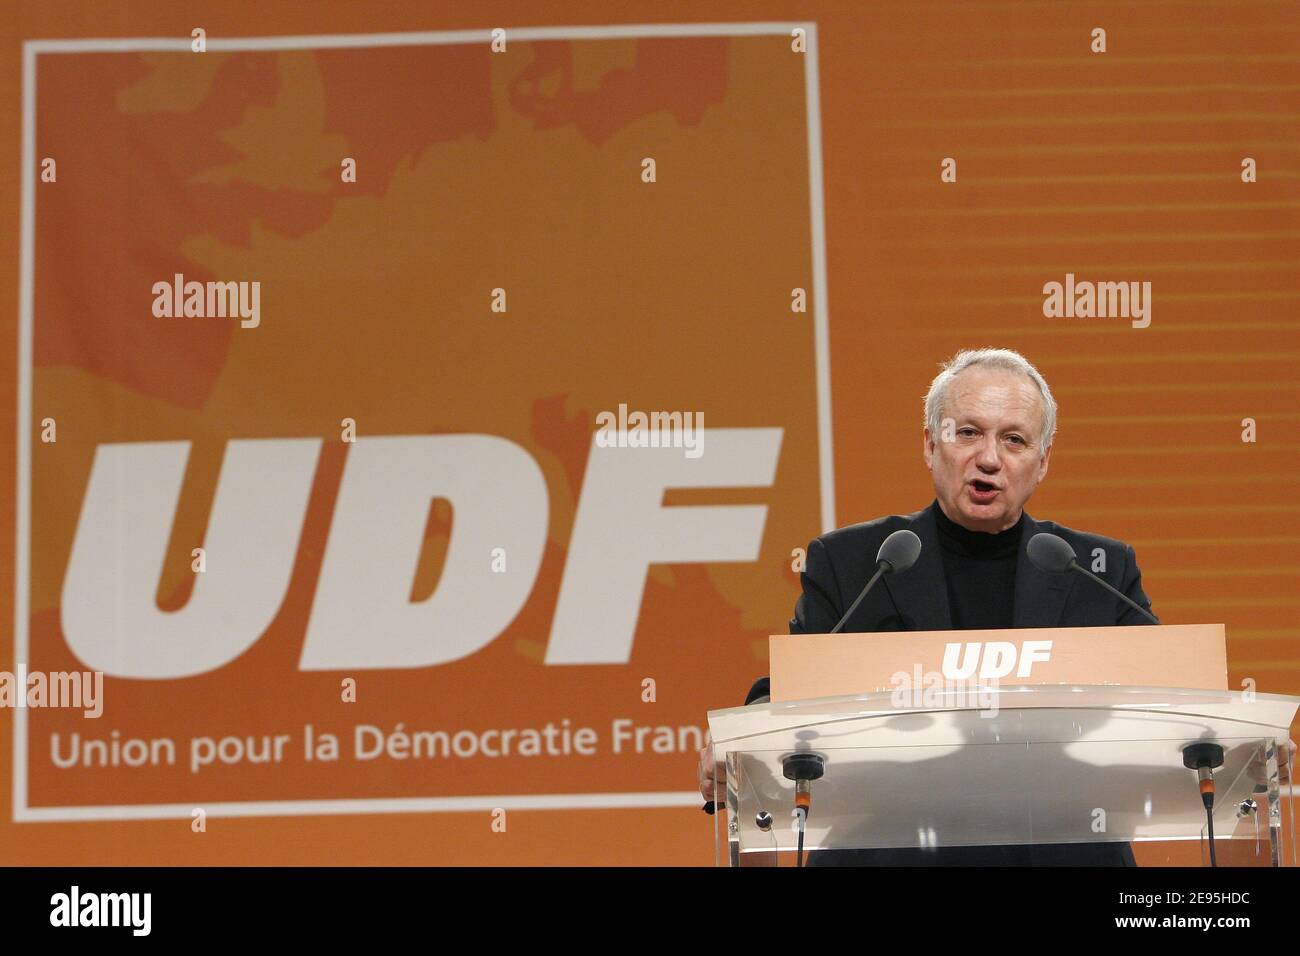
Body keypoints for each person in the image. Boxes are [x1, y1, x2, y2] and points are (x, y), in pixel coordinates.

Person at [698, 347, 1156, 865]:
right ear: (929, 445)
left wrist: (1246, 752)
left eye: (1014, 439)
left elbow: (1174, 695)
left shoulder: (1096, 569)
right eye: (968, 433)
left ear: (1042, 460)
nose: (989, 458)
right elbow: (794, 686)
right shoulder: (856, 563)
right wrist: (745, 737)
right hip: (888, 851)